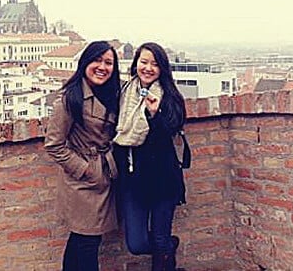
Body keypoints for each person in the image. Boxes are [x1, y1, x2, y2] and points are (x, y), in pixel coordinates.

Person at [44, 41, 121, 271]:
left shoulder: (113, 94)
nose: (102, 67)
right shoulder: (70, 99)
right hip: (84, 181)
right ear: (85, 62)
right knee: (87, 244)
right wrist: (86, 170)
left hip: (106, 175)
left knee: (81, 241)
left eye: (108, 62)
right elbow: (54, 144)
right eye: (97, 60)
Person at [113, 42, 187, 271]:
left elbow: (171, 130)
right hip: (133, 182)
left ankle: (165, 250)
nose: (148, 68)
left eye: (154, 64)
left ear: (162, 68)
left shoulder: (169, 95)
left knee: (159, 238)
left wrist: (155, 113)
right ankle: (168, 247)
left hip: (162, 179)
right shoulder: (125, 93)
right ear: (135, 64)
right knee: (136, 243)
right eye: (143, 62)